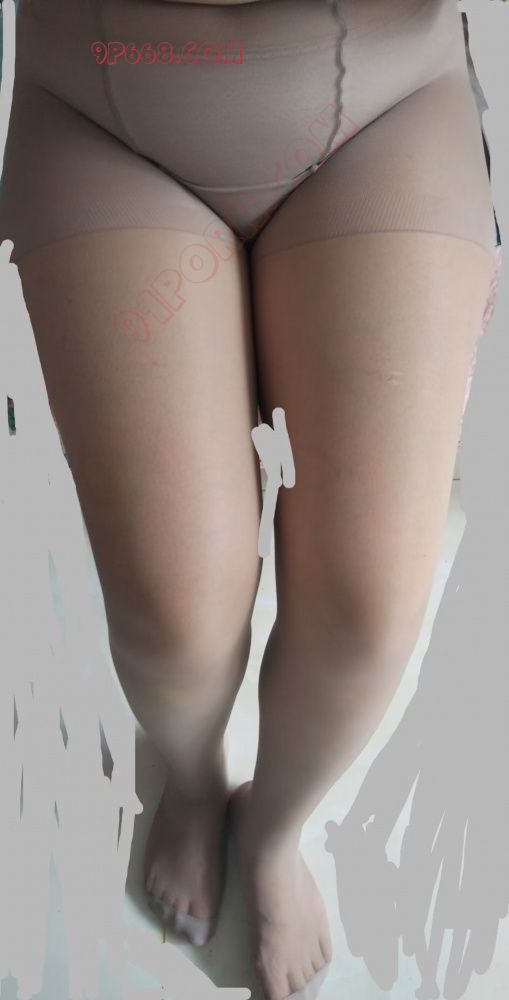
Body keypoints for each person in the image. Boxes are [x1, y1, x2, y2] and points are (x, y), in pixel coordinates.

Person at [0, 1, 501, 998]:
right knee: (172, 612)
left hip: (383, 100)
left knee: (366, 615)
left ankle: (274, 830)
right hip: (101, 94)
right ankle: (189, 780)